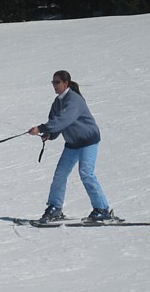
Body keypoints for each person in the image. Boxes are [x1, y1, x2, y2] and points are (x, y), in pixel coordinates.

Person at [28, 71, 111, 223]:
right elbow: (56, 122)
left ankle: (102, 209)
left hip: (88, 141)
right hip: (72, 143)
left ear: (66, 83)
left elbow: (63, 119)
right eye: (53, 82)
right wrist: (49, 134)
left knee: (86, 173)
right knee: (60, 174)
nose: (54, 85)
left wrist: (41, 128)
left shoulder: (74, 100)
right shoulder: (57, 102)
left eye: (57, 82)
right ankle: (55, 207)